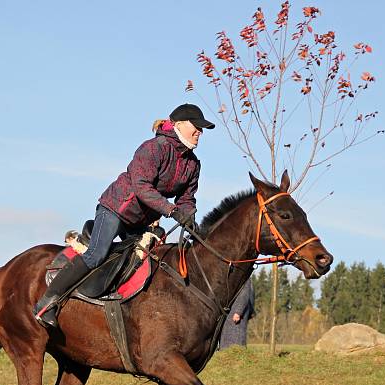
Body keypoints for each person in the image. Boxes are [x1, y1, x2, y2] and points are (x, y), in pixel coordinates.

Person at [33, 103, 215, 328]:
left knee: (153, 259)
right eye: (196, 127)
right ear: (178, 125)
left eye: (202, 128)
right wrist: (171, 211)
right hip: (115, 210)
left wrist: (189, 219)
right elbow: (141, 186)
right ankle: (47, 302)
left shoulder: (193, 164)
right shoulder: (154, 148)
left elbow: (186, 199)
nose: (200, 132)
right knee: (96, 255)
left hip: (140, 221)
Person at [219, 278, 255, 350]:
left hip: (236, 313)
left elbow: (244, 295)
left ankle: (235, 355)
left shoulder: (244, 277)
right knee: (228, 338)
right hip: (231, 312)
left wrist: (238, 312)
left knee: (236, 337)